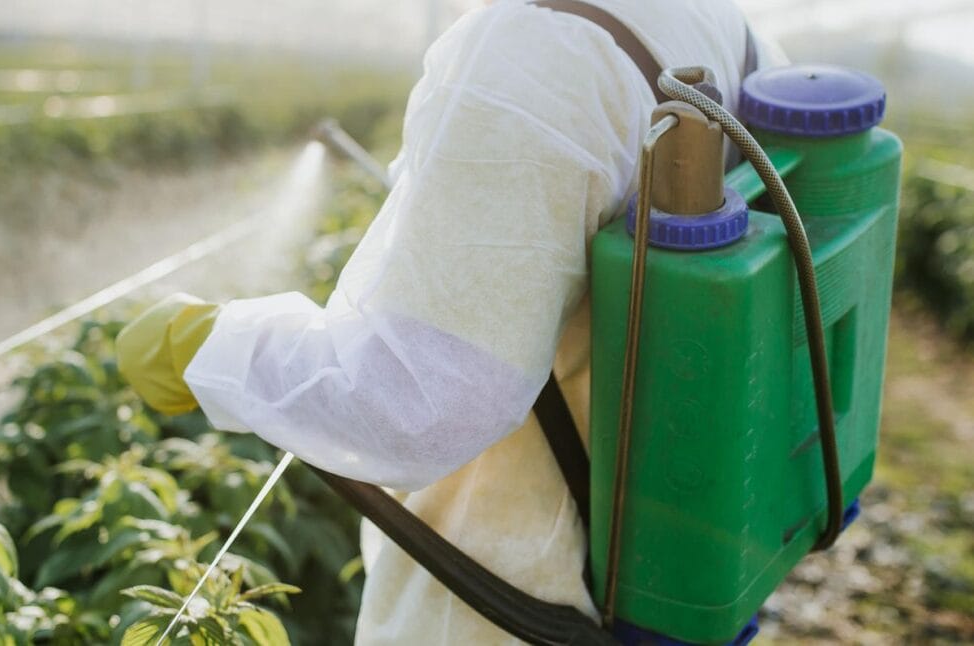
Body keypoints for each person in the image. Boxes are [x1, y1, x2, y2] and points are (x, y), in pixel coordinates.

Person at [115, 0, 783, 643]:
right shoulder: (704, 15)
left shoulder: (534, 57)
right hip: (666, 546)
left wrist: (213, 347)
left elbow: (419, 403)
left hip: (520, 599)